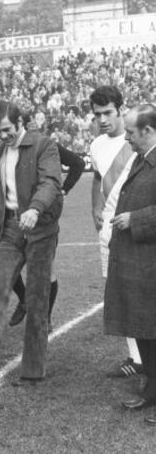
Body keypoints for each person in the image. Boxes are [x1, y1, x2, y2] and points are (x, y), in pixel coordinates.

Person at [0, 100, 63, 386]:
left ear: (20, 122)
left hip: (41, 229)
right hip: (11, 229)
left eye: (7, 130)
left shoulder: (44, 145)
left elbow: (51, 182)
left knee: (36, 296)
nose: (2, 136)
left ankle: (34, 370)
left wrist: (35, 209)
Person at [104, 104, 156, 424]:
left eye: (132, 133)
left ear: (148, 131)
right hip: (140, 262)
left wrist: (135, 218)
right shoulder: (142, 158)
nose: (127, 139)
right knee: (144, 329)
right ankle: (152, 390)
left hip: (150, 260)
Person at [89, 85, 143, 378]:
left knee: (142, 293)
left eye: (108, 112)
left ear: (120, 109)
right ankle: (136, 360)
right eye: (98, 115)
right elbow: (97, 177)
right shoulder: (96, 145)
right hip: (108, 230)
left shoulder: (138, 138)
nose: (103, 120)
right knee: (119, 293)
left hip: (135, 226)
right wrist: (94, 208)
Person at [9, 143, 85, 329]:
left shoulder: (47, 145)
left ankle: (46, 318)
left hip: (45, 217)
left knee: (46, 270)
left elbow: (78, 163)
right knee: (8, 267)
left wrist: (64, 188)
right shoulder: (9, 148)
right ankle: (24, 300)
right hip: (16, 214)